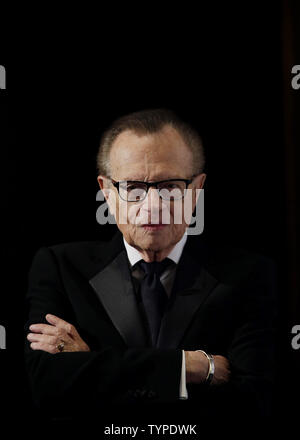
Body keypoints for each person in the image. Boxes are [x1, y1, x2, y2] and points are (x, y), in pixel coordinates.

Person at [24, 108, 277, 423]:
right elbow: (46, 388)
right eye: (134, 188)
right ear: (107, 192)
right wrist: (186, 368)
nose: (153, 206)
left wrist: (92, 367)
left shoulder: (249, 276)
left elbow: (253, 405)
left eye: (170, 187)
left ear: (196, 190)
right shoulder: (59, 268)